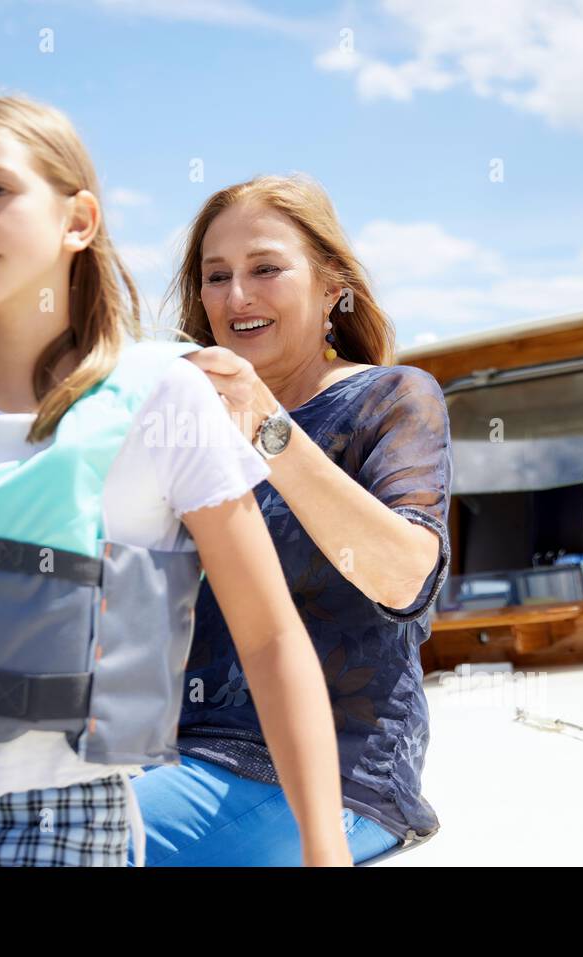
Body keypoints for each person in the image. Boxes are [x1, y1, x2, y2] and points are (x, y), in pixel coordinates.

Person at [0, 94, 351, 867]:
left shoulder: (167, 401)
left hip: (68, 827)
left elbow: (269, 640)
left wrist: (324, 851)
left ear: (78, 220)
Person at [128, 174, 452, 866]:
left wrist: (263, 420)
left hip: (337, 781)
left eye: (265, 268)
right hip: (176, 756)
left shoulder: (393, 397)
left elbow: (403, 579)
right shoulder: (183, 424)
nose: (236, 296)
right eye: (217, 276)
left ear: (333, 282)